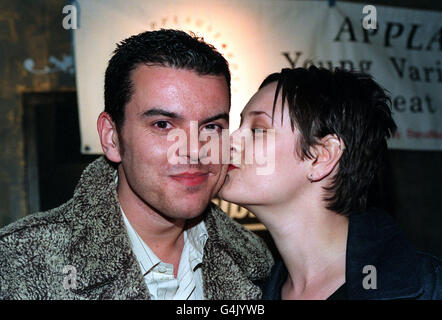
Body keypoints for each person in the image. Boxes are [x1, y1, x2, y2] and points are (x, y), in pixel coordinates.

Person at [0, 29, 273, 300]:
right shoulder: (18, 263)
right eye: (163, 125)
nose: (194, 150)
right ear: (112, 137)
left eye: (212, 126)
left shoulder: (256, 263)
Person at [219, 66, 441, 300]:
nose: (229, 141)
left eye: (258, 130)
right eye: (240, 125)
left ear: (322, 157)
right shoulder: (246, 293)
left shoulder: (430, 289)